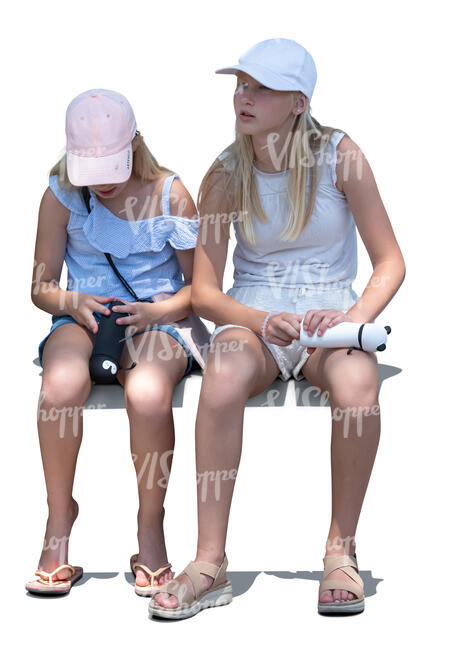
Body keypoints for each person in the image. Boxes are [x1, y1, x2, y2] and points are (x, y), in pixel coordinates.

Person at [150, 38, 405, 618]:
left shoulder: (341, 155)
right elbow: (209, 293)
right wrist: (262, 320)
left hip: (330, 316)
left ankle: (341, 550)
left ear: (297, 101)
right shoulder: (223, 170)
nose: (243, 95)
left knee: (359, 385)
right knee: (220, 377)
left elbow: (390, 261)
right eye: (241, 84)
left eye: (260, 87)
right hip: (254, 315)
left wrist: (352, 318)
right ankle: (209, 562)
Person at [26, 88, 211, 596]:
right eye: (91, 170)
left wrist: (159, 311)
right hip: (85, 315)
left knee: (148, 393)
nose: (102, 183)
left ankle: (150, 526)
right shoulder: (60, 195)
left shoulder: (171, 194)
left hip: (159, 316)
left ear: (134, 146)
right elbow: (41, 288)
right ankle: (59, 521)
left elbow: (201, 290)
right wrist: (71, 302)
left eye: (111, 167)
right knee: (59, 387)